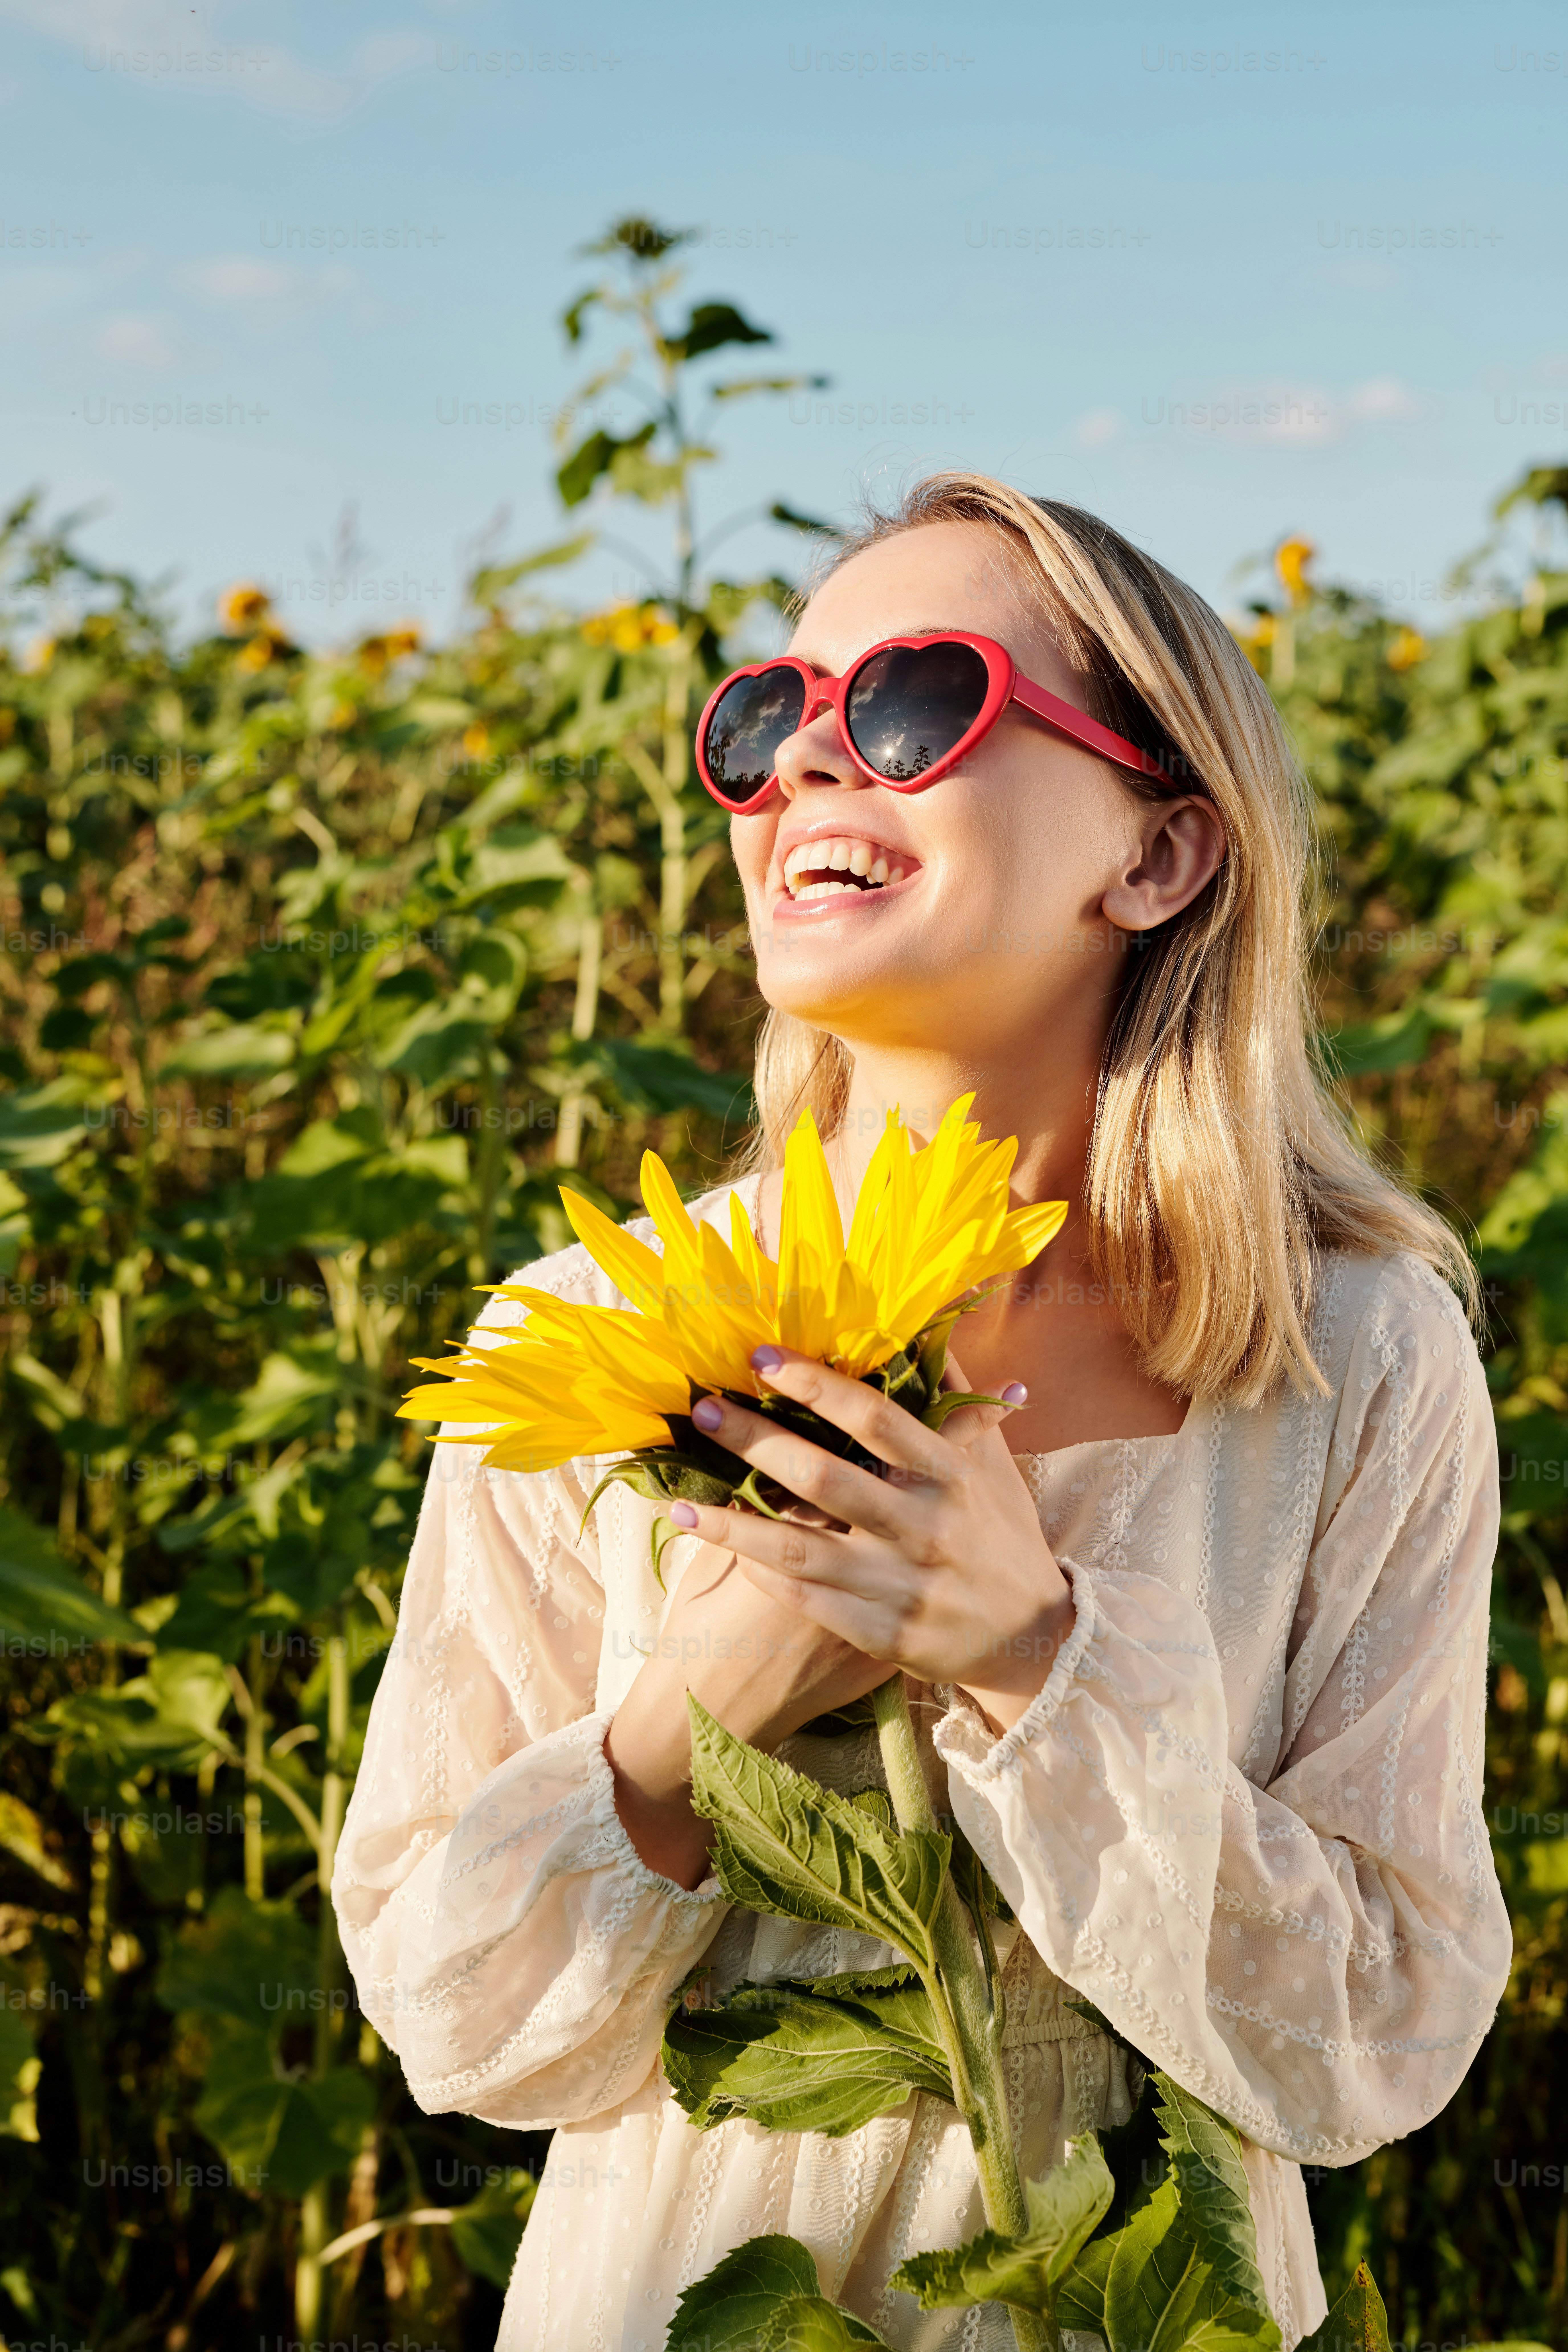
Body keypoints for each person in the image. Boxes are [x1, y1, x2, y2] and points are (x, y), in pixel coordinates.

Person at [332, 475, 1510, 2351]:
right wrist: (692, 1714)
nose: (805, 760)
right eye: (763, 719)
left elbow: (1385, 2025)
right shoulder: (593, 1330)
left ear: (1161, 857)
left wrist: (1042, 1663)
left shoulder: (1349, 1357)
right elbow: (446, 2009)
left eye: (909, 704)